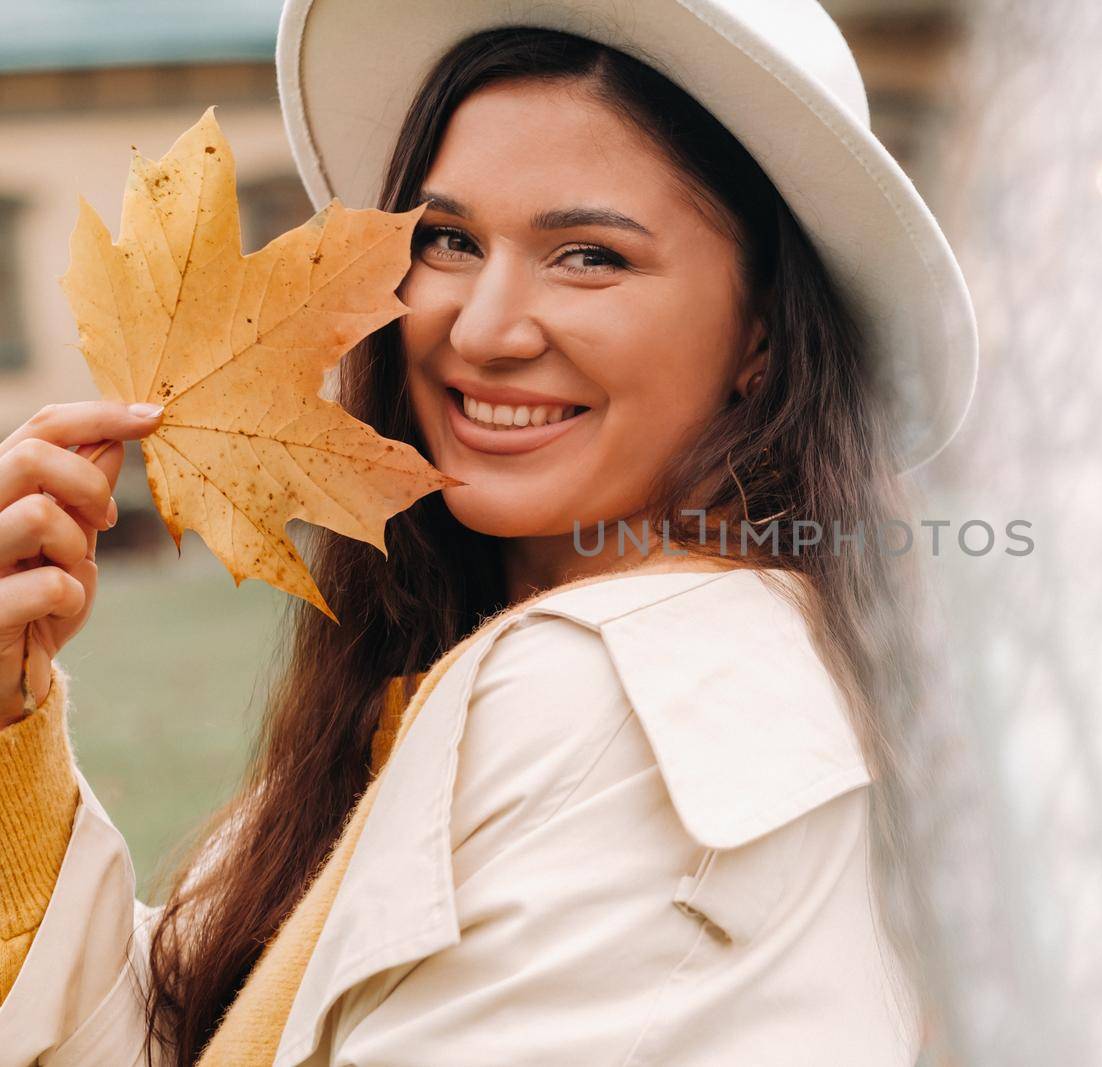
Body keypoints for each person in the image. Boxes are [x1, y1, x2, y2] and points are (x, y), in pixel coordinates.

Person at [0, 2, 978, 1064]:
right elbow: (191, 1038)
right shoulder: (448, 682)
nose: (481, 329)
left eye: (589, 256)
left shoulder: (617, 694)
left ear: (761, 328)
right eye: (449, 241)